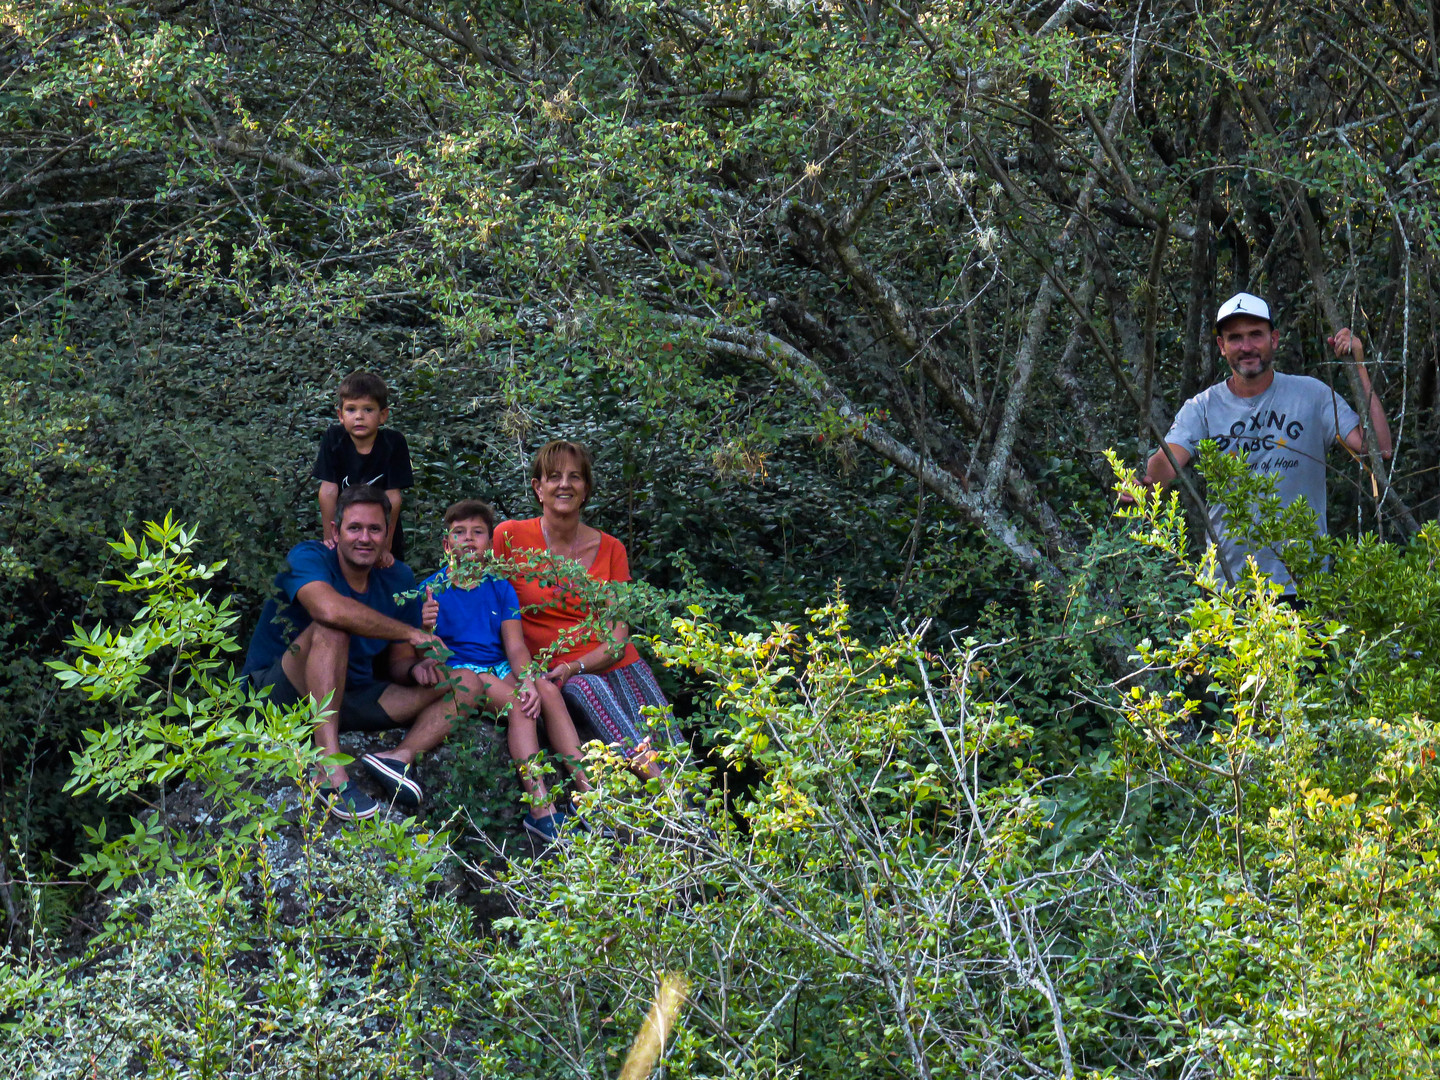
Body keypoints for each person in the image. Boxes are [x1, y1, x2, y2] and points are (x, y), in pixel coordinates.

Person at [1141, 291, 1392, 594]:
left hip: (1305, 583)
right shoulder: (1202, 408)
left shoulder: (1312, 395)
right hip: (1229, 587)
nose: (1246, 347)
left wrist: (1358, 365)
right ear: (1222, 346)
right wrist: (1141, 483)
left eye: (1255, 335)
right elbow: (1164, 468)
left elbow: (1379, 450)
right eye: (1235, 338)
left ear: (1273, 339)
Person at [241, 484, 458, 820]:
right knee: (333, 627)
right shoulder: (308, 557)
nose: (365, 538)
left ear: (387, 534)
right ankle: (329, 768)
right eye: (354, 527)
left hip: (348, 696)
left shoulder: (398, 577)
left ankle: (397, 758)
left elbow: (400, 661)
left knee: (467, 682)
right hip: (280, 693)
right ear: (335, 530)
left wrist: (417, 669)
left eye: (375, 529)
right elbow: (328, 610)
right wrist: (412, 632)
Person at [493, 440, 679, 777]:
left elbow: (618, 638)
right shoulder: (509, 538)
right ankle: (667, 795)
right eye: (554, 477)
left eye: (574, 477)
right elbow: (484, 601)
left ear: (586, 489)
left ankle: (699, 815)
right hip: (558, 674)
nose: (564, 484)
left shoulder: (611, 549)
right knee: (594, 694)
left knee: (671, 743)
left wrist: (576, 665)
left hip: (615, 663)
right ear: (538, 488)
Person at [415, 499, 593, 844]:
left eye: (478, 533)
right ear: (445, 544)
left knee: (547, 691)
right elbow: (427, 650)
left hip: (497, 665)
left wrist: (527, 680)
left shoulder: (499, 586)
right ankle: (540, 808)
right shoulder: (432, 589)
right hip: (464, 671)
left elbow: (514, 647)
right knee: (520, 707)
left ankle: (590, 792)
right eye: (459, 533)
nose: (468, 540)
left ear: (490, 544)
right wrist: (426, 629)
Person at [314, 371, 413, 567]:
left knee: (386, 576)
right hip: (346, 527)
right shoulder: (334, 438)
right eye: (351, 410)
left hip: (381, 527)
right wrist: (330, 537)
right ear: (340, 415)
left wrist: (386, 543)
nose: (359, 416)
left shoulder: (394, 443)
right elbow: (328, 491)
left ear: (383, 415)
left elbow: (393, 497)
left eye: (368, 410)